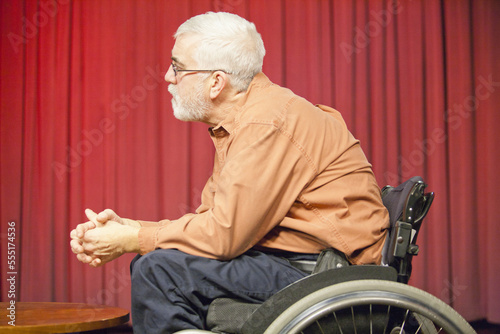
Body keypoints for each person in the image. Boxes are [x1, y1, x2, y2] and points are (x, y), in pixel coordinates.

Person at [70, 12, 389, 334]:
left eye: (178, 67)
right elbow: (211, 224)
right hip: (294, 263)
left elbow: (224, 237)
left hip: (327, 275)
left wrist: (131, 239)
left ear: (216, 82)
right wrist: (133, 228)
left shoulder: (266, 123)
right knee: (157, 261)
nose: (168, 76)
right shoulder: (249, 120)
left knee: (159, 269)